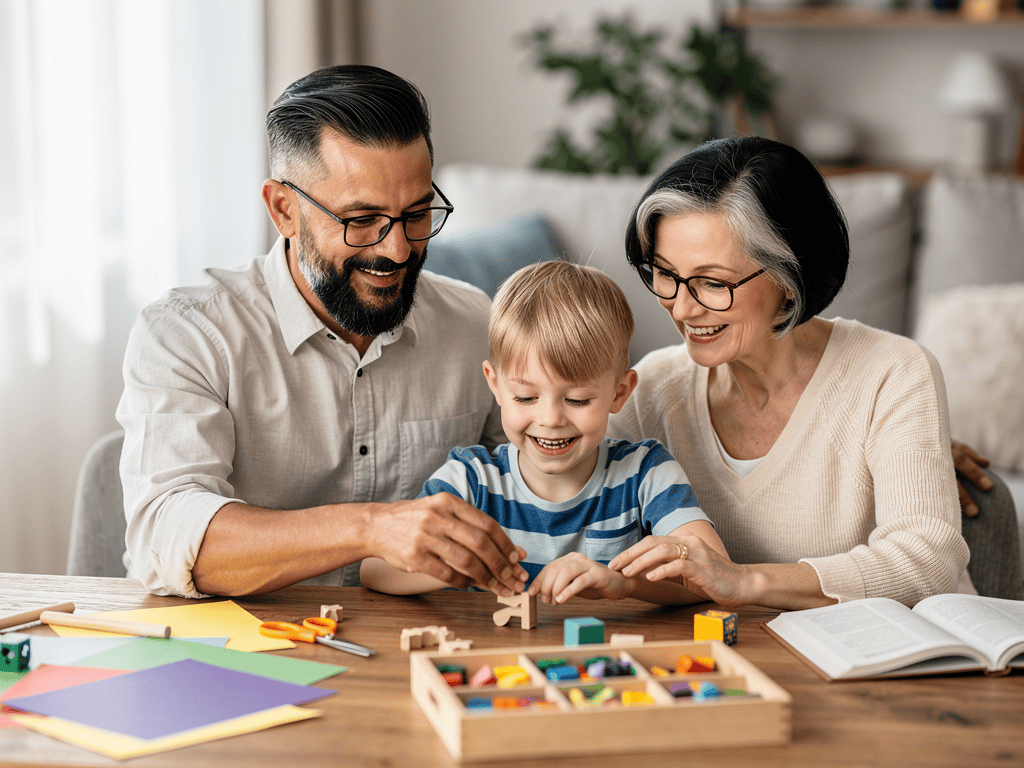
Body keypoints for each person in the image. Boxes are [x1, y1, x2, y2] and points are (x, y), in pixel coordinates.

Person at [116, 65, 529, 598]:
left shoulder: (474, 323)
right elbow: (169, 536)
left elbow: (539, 486)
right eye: (361, 220)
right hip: (243, 660)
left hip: (422, 649)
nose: (397, 250)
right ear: (283, 209)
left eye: (418, 213)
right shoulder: (188, 334)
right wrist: (371, 529)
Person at [606, 136, 970, 609]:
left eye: (713, 283)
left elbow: (928, 562)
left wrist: (745, 582)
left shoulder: (892, 373)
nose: (681, 307)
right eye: (665, 273)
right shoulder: (652, 388)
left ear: (788, 274)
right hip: (737, 665)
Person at [361, 261, 728, 605]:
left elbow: (714, 576)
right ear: (496, 385)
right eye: (526, 396)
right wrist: (457, 563)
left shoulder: (647, 473)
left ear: (620, 393)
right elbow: (373, 571)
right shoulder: (470, 480)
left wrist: (625, 583)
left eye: (577, 399)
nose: (550, 418)